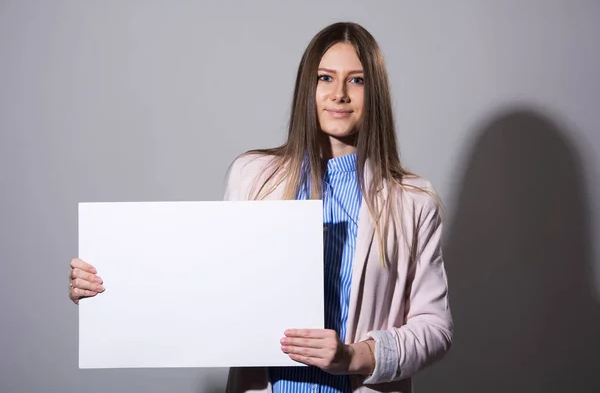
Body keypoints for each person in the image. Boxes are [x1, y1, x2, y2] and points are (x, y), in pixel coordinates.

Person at [68, 22, 452, 393]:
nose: (339, 94)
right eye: (325, 78)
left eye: (357, 79)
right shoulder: (254, 176)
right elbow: (210, 283)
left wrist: (356, 356)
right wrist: (109, 288)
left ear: (376, 93)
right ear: (308, 87)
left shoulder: (412, 200)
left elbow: (435, 327)